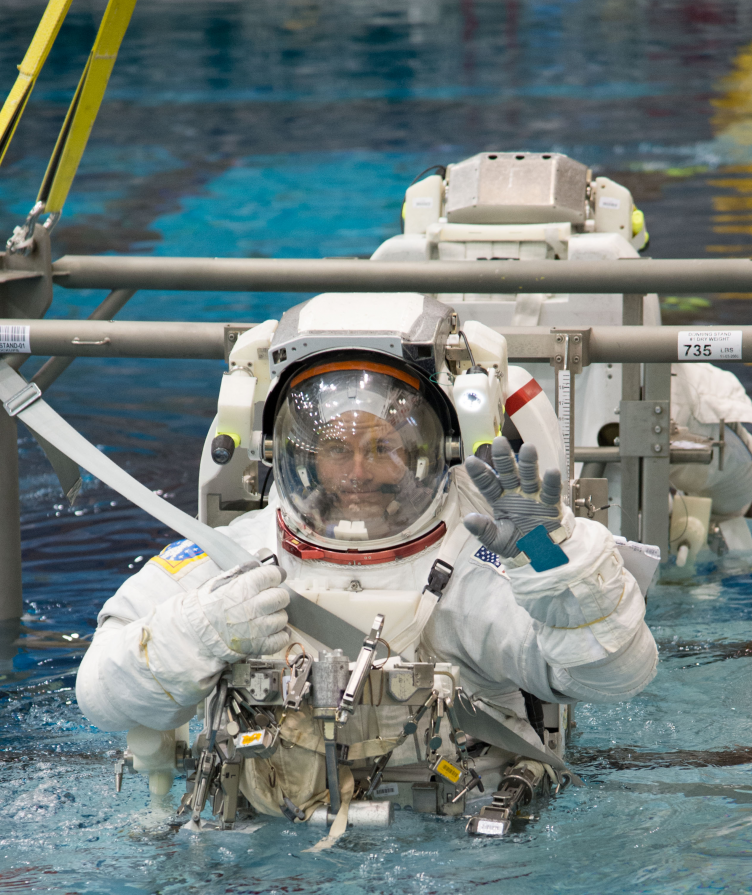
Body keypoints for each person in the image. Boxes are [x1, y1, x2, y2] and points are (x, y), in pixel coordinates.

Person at [75, 293, 656, 821]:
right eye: (335, 448)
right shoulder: (235, 558)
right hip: (270, 865)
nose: (357, 472)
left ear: (433, 449)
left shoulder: (476, 567)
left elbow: (613, 675)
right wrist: (200, 632)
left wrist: (549, 553)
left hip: (454, 860)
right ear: (292, 452)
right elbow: (100, 694)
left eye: (382, 447)